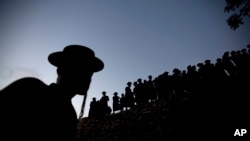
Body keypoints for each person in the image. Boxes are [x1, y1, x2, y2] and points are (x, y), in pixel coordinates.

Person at [0, 45, 104, 141]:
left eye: (89, 73)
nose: (88, 78)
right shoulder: (30, 88)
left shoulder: (70, 114)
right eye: (80, 70)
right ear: (61, 70)